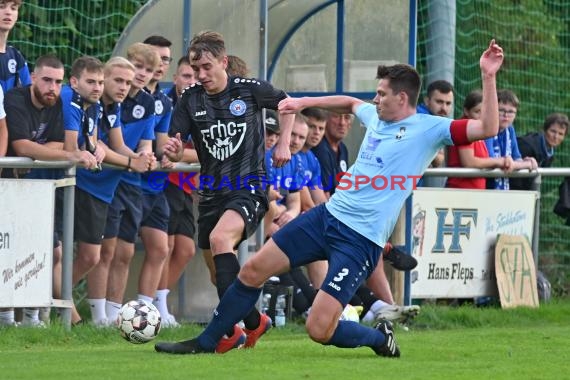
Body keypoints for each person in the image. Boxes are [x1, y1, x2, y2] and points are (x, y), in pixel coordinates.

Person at [154, 40, 504, 357]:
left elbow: (486, 128)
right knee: (252, 269)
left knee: (318, 329)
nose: (375, 99)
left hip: (361, 240)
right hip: (327, 218)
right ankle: (207, 341)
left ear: (402, 98)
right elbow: (351, 103)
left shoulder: (430, 128)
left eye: (381, 94)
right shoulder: (375, 116)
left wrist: (488, 76)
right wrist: (305, 102)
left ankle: (379, 339)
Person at [161, 30, 294, 353]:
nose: (202, 75)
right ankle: (249, 324)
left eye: (207, 67)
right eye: (196, 69)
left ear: (223, 62)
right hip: (210, 192)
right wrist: (173, 149)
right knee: (218, 274)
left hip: (248, 186)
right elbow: (175, 150)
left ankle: (214, 336)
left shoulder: (249, 91)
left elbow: (289, 105)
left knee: (222, 241)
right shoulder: (190, 98)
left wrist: (285, 143)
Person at [3, 55, 98, 327]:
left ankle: (34, 317)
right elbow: (21, 147)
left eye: (57, 82)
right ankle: (7, 316)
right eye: (46, 80)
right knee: (10, 250)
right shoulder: (15, 99)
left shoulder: (59, 104)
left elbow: (61, 147)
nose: (52, 88)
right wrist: (59, 153)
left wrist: (51, 152)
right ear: (33, 78)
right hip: (9, 184)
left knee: (50, 252)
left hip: (37, 186)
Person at [91, 43, 158, 325]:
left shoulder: (147, 103)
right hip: (102, 181)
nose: (139, 76)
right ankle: (96, 315)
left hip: (130, 182)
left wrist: (146, 156)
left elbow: (142, 143)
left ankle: (116, 314)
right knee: (102, 250)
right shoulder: (96, 100)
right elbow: (102, 145)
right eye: (136, 68)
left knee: (126, 251)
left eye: (147, 70)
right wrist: (132, 161)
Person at [446, 89, 509, 189]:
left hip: (474, 194)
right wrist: (499, 161)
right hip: (460, 193)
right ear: (466, 111)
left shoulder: (479, 132)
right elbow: (469, 162)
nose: (482, 117)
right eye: (477, 112)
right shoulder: (464, 128)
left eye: (485, 112)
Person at [484, 89, 538, 190]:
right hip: (485, 188)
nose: (506, 116)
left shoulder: (510, 130)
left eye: (511, 112)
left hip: (504, 188)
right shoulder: (487, 129)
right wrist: (526, 164)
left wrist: (523, 162)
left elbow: (516, 158)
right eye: (501, 110)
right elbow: (492, 161)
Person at [510, 112, 569, 190]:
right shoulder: (528, 145)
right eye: (553, 131)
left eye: (561, 134)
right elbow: (514, 177)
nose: (556, 136)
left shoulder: (549, 153)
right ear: (545, 130)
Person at [416, 79, 454, 187]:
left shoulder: (437, 121)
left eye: (448, 103)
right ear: (427, 101)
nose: (444, 108)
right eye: (439, 102)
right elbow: (438, 160)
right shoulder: (421, 118)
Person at [311, 111, 352, 198]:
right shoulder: (320, 148)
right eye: (336, 116)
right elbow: (325, 196)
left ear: (350, 124)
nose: (342, 123)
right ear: (326, 120)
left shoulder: (343, 148)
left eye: (347, 117)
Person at [0, 0, 30, 92]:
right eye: (1, 7)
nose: (8, 12)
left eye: (13, 8)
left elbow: (29, 95)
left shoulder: (16, 57)